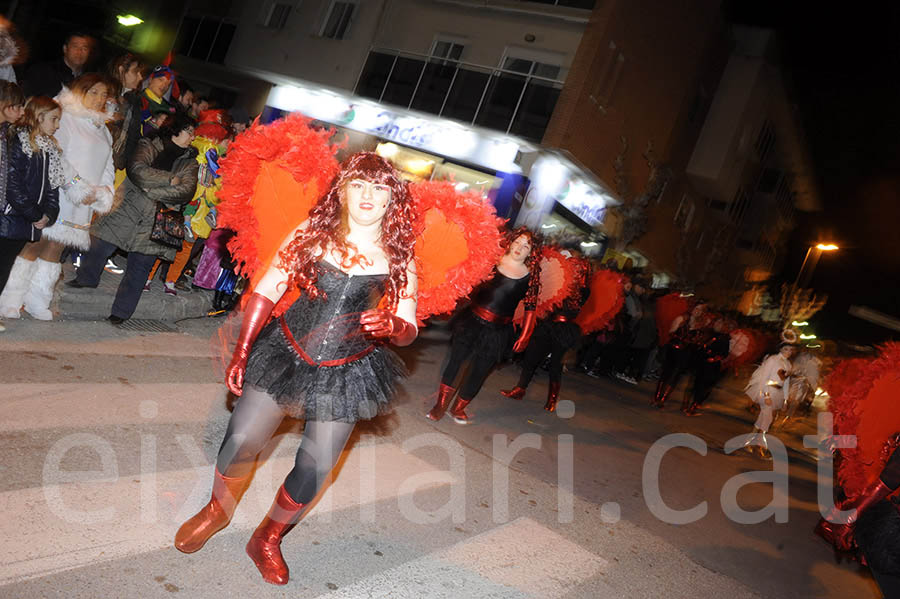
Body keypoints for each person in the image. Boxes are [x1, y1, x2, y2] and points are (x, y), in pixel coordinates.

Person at [173, 152, 418, 586]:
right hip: (287, 349)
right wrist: (243, 348)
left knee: (316, 464)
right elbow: (270, 286)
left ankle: (267, 537)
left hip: (349, 367)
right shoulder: (313, 231)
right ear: (342, 191)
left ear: (391, 199)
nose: (367, 195)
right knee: (242, 438)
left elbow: (410, 324)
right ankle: (217, 509)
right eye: (358, 184)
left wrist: (394, 324)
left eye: (379, 187)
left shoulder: (400, 256)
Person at [0, 75, 114, 320]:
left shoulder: (104, 129)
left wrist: (103, 192)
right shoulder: (67, 117)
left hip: (83, 202)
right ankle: (11, 298)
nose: (99, 98)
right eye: (94, 92)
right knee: (35, 244)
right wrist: (77, 186)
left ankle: (37, 299)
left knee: (56, 249)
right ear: (81, 91)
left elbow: (107, 164)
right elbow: (55, 156)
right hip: (60, 194)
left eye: (104, 94)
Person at [67, 113, 199, 323]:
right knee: (100, 244)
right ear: (175, 129)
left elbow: (186, 191)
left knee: (139, 267)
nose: (192, 137)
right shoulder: (149, 144)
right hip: (127, 207)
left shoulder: (190, 162)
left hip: (157, 219)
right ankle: (86, 278)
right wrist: (169, 179)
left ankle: (121, 312)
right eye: (189, 131)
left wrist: (150, 191)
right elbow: (137, 170)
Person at [427, 227, 541, 424]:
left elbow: (531, 307)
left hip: (498, 332)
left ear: (531, 252)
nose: (519, 248)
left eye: (526, 246)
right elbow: (469, 281)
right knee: (456, 362)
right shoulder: (492, 260)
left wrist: (526, 335)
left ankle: (459, 408)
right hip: (471, 321)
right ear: (511, 240)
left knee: (480, 370)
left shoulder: (531, 277)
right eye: (518, 242)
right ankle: (440, 405)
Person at [0, 95, 61, 323]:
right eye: (53, 119)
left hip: (28, 221)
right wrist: (35, 214)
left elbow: (53, 187)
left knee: (5, 267)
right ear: (38, 117)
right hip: (12, 217)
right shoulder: (20, 143)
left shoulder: (50, 148)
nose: (57, 125)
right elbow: (13, 185)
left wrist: (49, 215)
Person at [501, 255, 589, 411]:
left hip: (564, 330)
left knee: (555, 365)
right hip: (547, 326)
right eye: (570, 266)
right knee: (531, 358)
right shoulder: (560, 281)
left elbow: (575, 307)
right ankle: (519, 389)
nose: (572, 269)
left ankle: (552, 399)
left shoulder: (583, 290)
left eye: (576, 268)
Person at [739, 342, 795, 458]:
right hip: (768, 391)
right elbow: (764, 378)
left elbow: (786, 383)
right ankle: (761, 446)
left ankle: (749, 442)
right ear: (780, 349)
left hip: (778, 393)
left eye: (790, 349)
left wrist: (785, 399)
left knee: (764, 418)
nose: (788, 352)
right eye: (786, 349)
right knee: (768, 418)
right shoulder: (773, 360)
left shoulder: (788, 364)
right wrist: (766, 395)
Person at [652, 302, 708, 408]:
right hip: (674, 350)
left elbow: (699, 341)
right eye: (696, 308)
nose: (697, 311)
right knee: (666, 373)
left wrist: (694, 342)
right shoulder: (681, 319)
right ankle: (656, 397)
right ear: (692, 308)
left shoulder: (700, 325)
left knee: (676, 376)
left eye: (701, 310)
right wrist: (681, 338)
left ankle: (663, 399)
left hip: (686, 353)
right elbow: (671, 332)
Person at [23, 31, 95, 98]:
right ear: (65, 49)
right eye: (75, 46)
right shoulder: (42, 71)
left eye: (84, 48)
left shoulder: (90, 81)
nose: (79, 52)